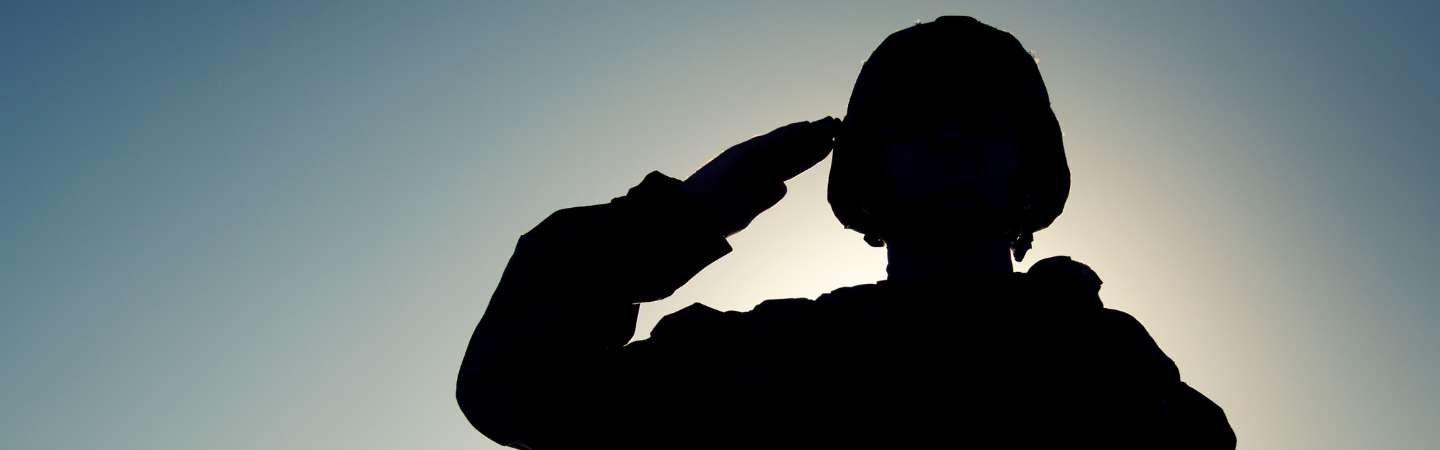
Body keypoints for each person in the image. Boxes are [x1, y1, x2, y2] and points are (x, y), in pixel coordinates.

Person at [456, 16, 1236, 449]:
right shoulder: (766, 354)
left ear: (1028, 176)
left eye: (984, 122)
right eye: (914, 124)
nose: (949, 139)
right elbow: (520, 386)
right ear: (867, 175)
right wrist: (681, 218)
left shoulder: (1111, 360)